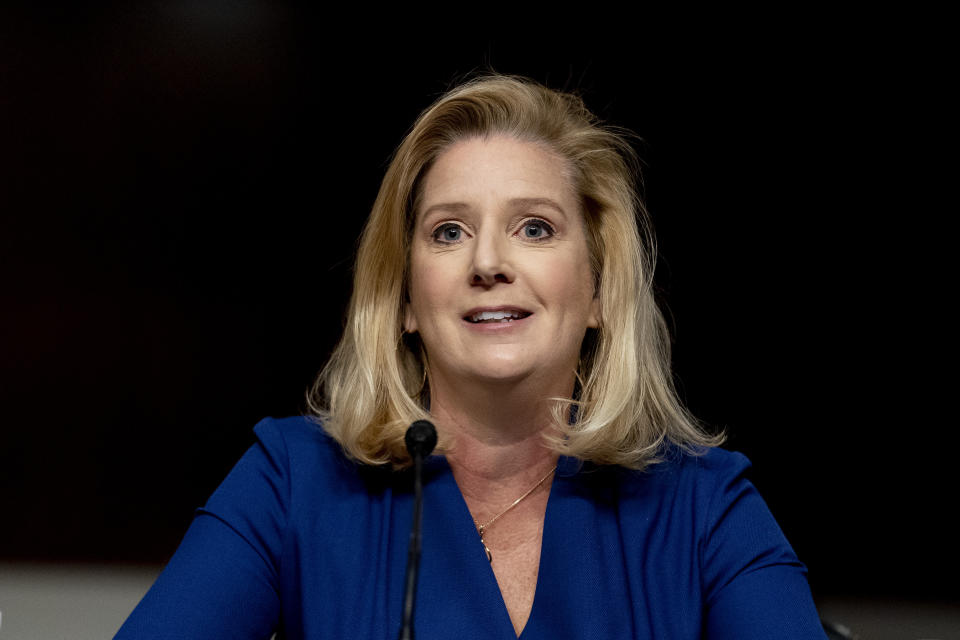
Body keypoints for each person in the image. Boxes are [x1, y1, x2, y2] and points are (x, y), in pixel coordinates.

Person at [116, 74, 827, 639]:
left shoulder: (704, 505)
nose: (488, 261)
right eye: (449, 231)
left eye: (535, 228)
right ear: (403, 298)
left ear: (599, 292)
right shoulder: (291, 480)